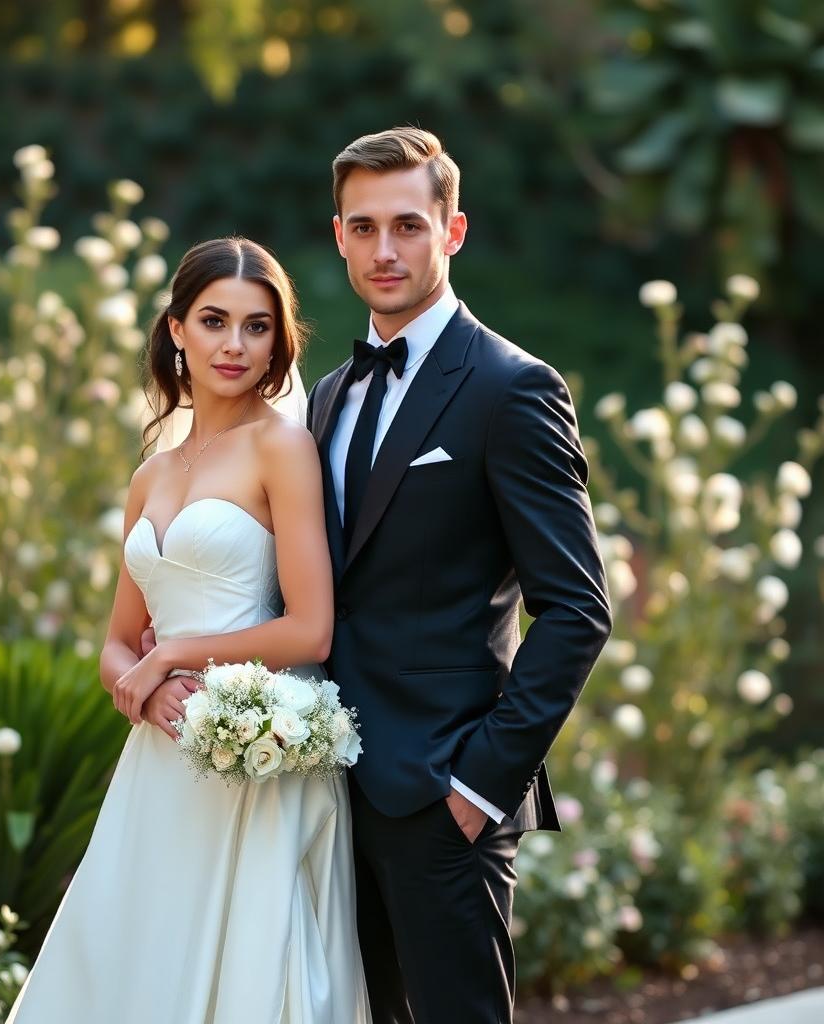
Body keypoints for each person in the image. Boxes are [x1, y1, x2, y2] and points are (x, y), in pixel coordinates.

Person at [5, 237, 370, 1024]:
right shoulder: (150, 476)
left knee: (249, 969)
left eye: (256, 327)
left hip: (257, 751)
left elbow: (310, 630)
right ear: (176, 328)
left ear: (278, 341)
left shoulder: (282, 447)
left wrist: (174, 653)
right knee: (136, 962)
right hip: (163, 762)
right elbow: (115, 643)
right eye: (213, 321)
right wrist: (145, 688)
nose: (234, 345)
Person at [306, 127, 613, 1023]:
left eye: (407, 224)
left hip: (445, 801)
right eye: (363, 228)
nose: (385, 249)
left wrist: (480, 787)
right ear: (339, 238)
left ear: (454, 230)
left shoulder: (511, 388)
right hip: (325, 797)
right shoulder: (329, 395)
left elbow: (577, 609)